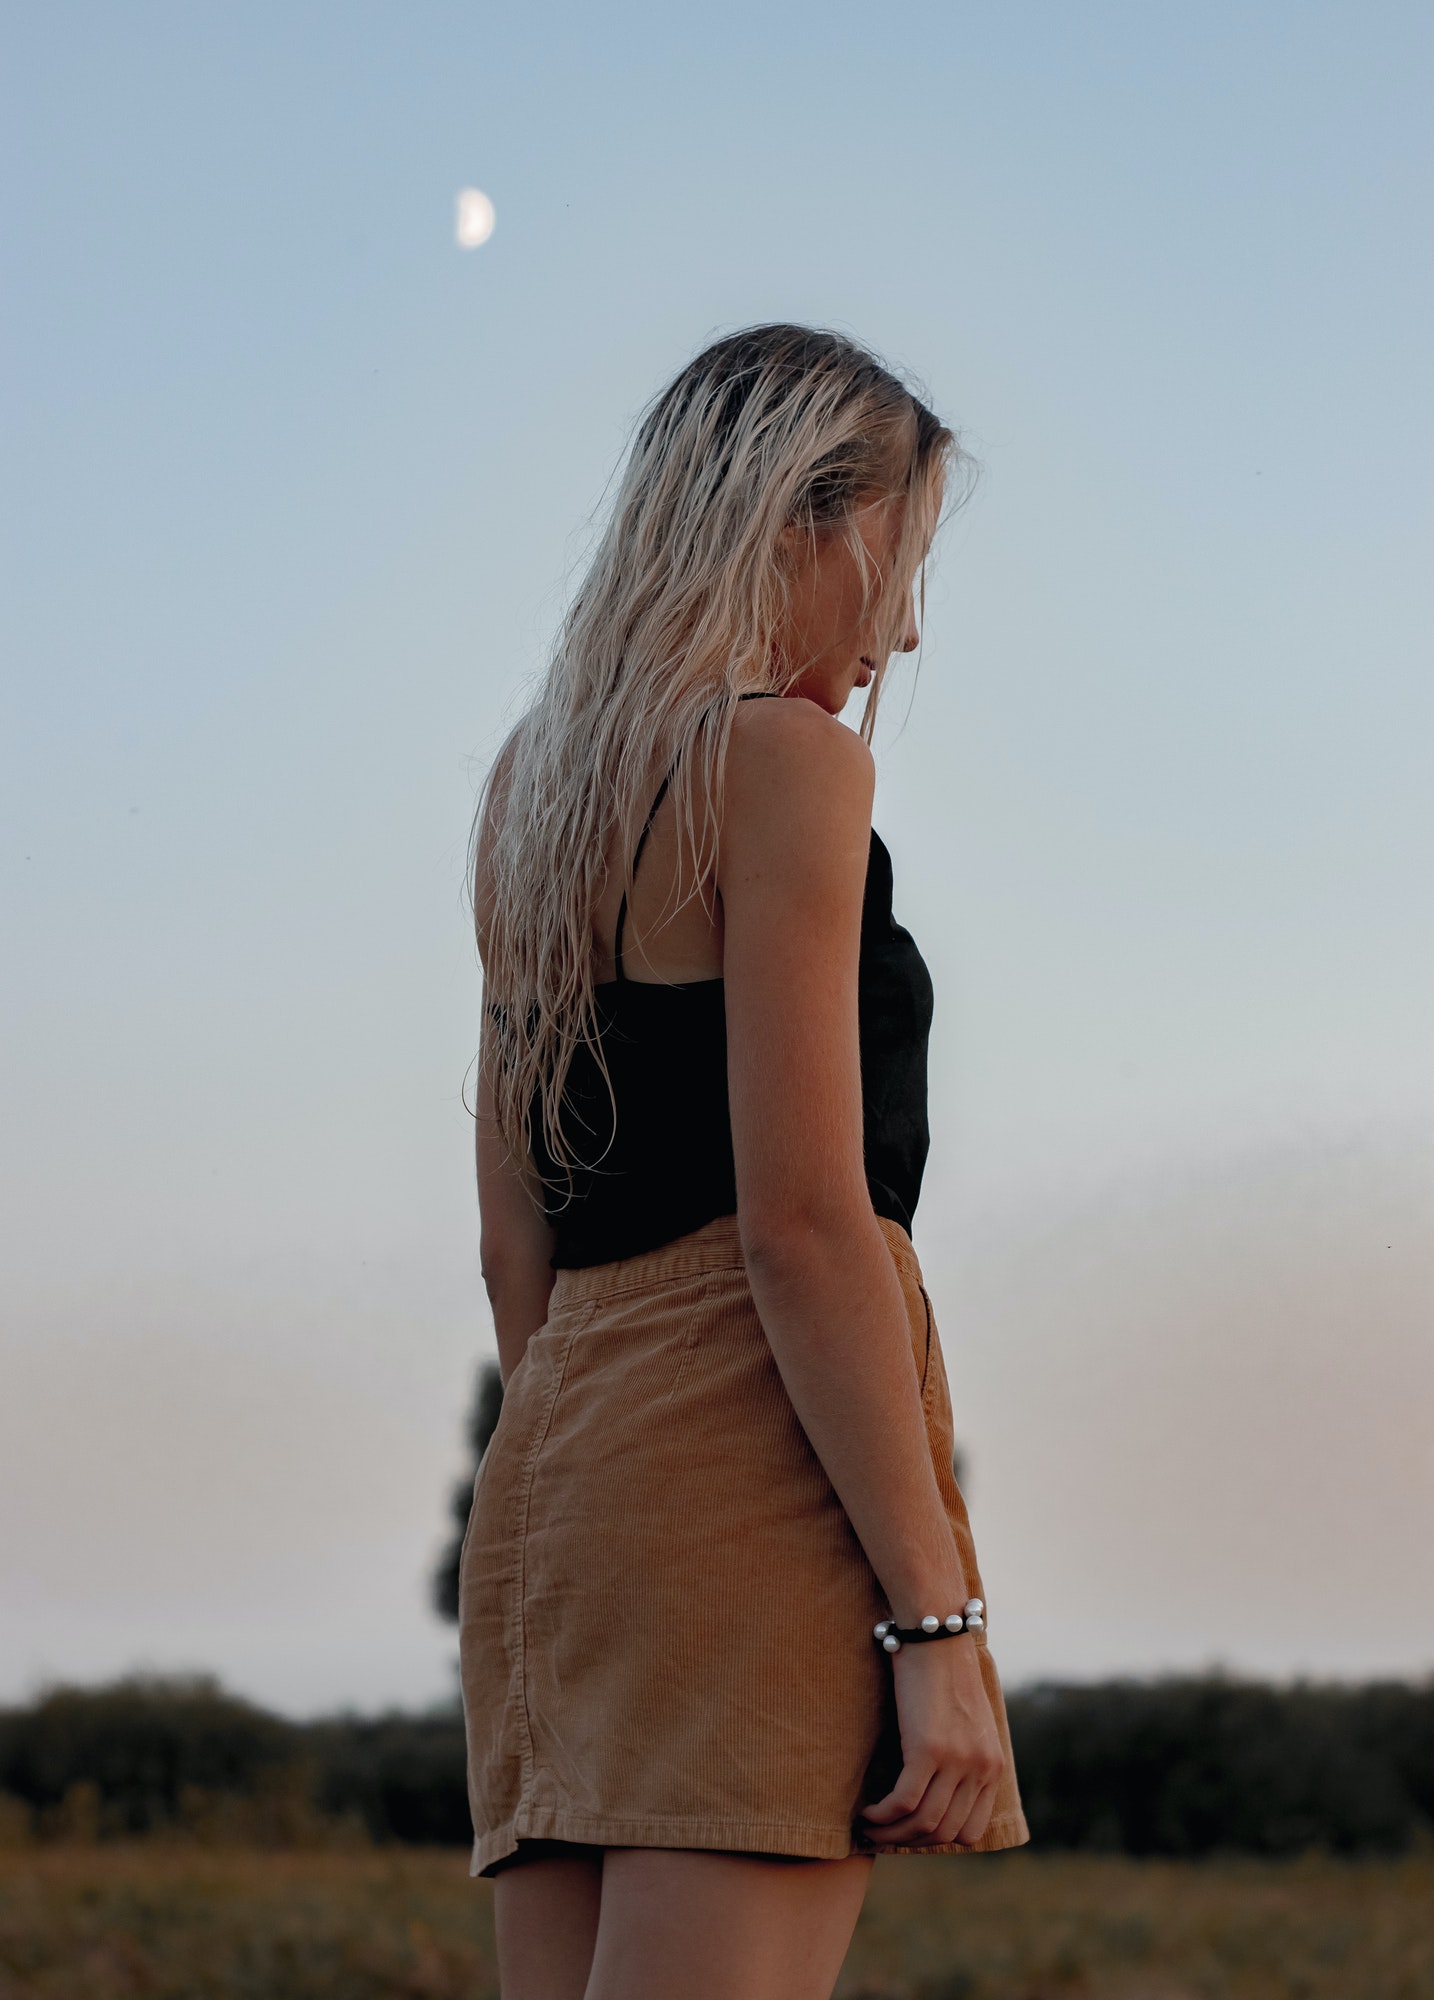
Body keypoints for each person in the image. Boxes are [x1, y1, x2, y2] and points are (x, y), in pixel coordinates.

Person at [460, 324, 1028, 2000]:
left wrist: (603, 1470)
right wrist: (937, 1624)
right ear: (799, 518)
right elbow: (800, 1223)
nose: (901, 629)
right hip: (750, 1454)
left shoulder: (532, 790)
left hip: (561, 1478)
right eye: (898, 565)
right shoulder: (783, 764)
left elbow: (512, 1246)